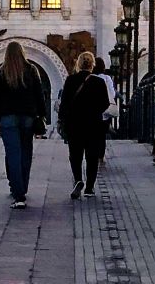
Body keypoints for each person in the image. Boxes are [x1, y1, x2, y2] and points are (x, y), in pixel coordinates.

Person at [0, 42, 46, 209]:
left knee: (13, 154)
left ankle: (18, 192)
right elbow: (39, 93)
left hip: (7, 117)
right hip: (27, 116)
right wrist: (42, 114)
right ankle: (22, 187)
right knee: (26, 153)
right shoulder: (32, 70)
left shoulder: (1, 72)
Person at [58, 51, 110, 199]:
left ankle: (78, 180)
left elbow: (64, 103)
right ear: (92, 65)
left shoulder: (70, 80)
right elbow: (105, 103)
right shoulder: (99, 82)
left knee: (75, 155)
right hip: (94, 124)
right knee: (92, 156)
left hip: (74, 124)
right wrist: (95, 112)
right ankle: (89, 188)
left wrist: (62, 119)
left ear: (78, 64)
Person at [93, 56, 116, 166]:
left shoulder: (89, 77)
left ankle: (92, 154)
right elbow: (112, 94)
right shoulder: (107, 78)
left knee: (92, 133)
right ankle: (100, 157)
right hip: (105, 111)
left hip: (91, 111)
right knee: (102, 135)